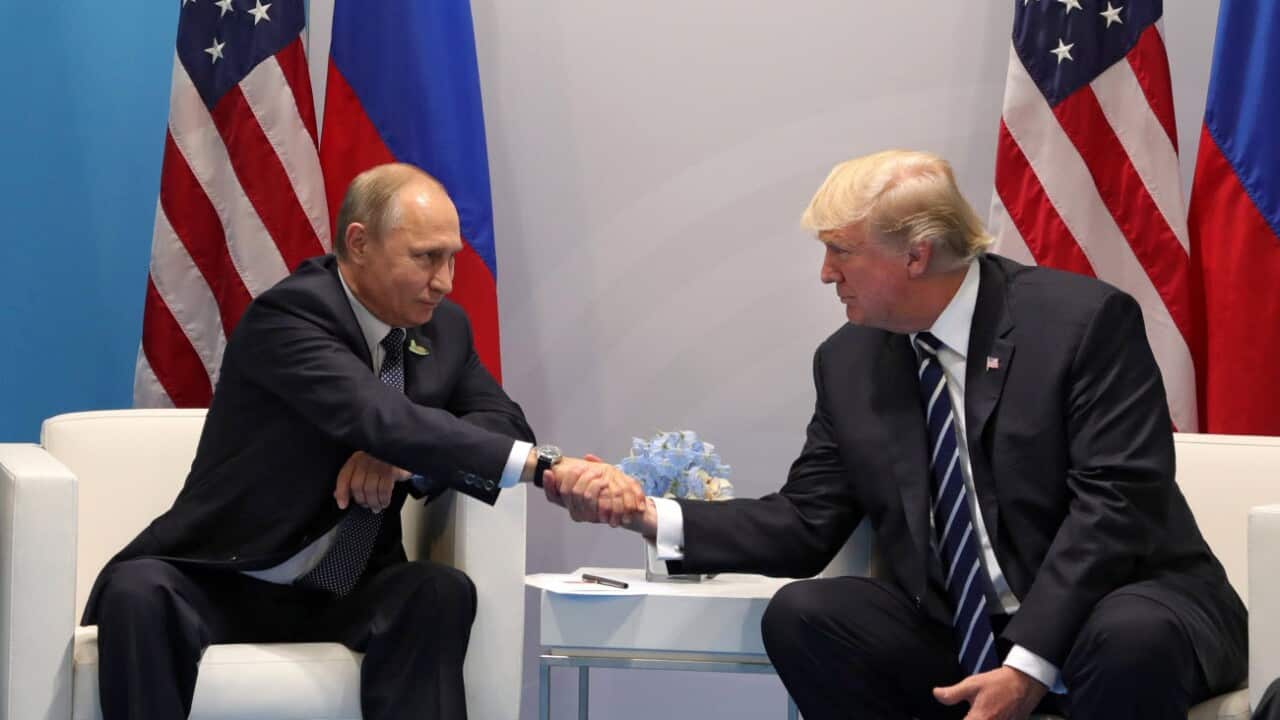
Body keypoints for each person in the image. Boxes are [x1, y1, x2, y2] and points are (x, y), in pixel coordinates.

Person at [555, 150, 1247, 719]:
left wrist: (1028, 663)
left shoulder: (1082, 324)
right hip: (962, 627)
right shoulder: (851, 359)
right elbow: (806, 521)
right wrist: (650, 516)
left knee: (1130, 638)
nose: (826, 273)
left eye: (841, 253)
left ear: (917, 256)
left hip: (1123, 603)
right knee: (809, 614)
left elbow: (1116, 507)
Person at [83, 163, 641, 720]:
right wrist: (547, 467)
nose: (444, 281)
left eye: (452, 259)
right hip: (228, 576)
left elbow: (504, 426)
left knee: (437, 591)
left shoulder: (444, 329)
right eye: (426, 257)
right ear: (359, 243)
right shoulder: (290, 316)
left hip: (347, 589)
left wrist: (405, 466)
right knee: (139, 592)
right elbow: (380, 417)